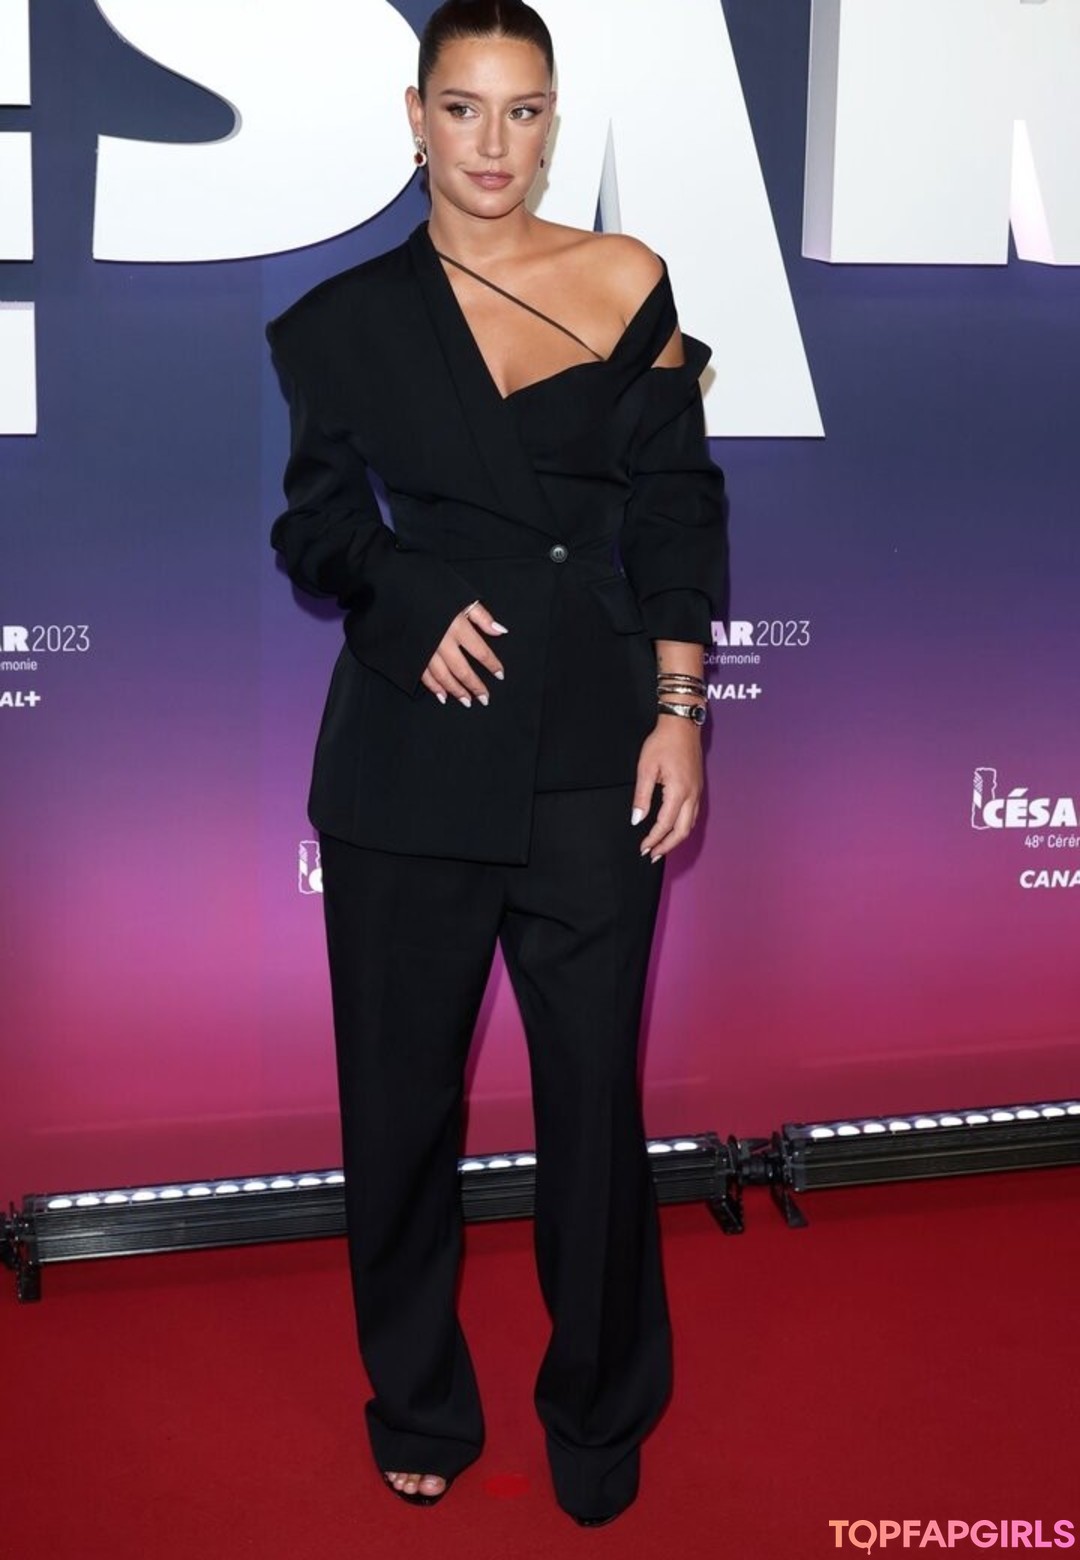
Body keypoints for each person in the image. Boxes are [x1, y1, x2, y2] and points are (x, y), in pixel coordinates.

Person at [265, 0, 729, 1528]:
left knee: (594, 1106)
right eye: (463, 108)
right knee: (401, 1111)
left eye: (523, 111)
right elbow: (317, 527)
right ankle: (418, 1401)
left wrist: (680, 710)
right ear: (415, 119)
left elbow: (676, 506)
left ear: (553, 122)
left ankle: (599, 1410)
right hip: (414, 757)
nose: (493, 143)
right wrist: (403, 601)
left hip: (596, 753)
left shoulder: (627, 279)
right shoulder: (342, 324)